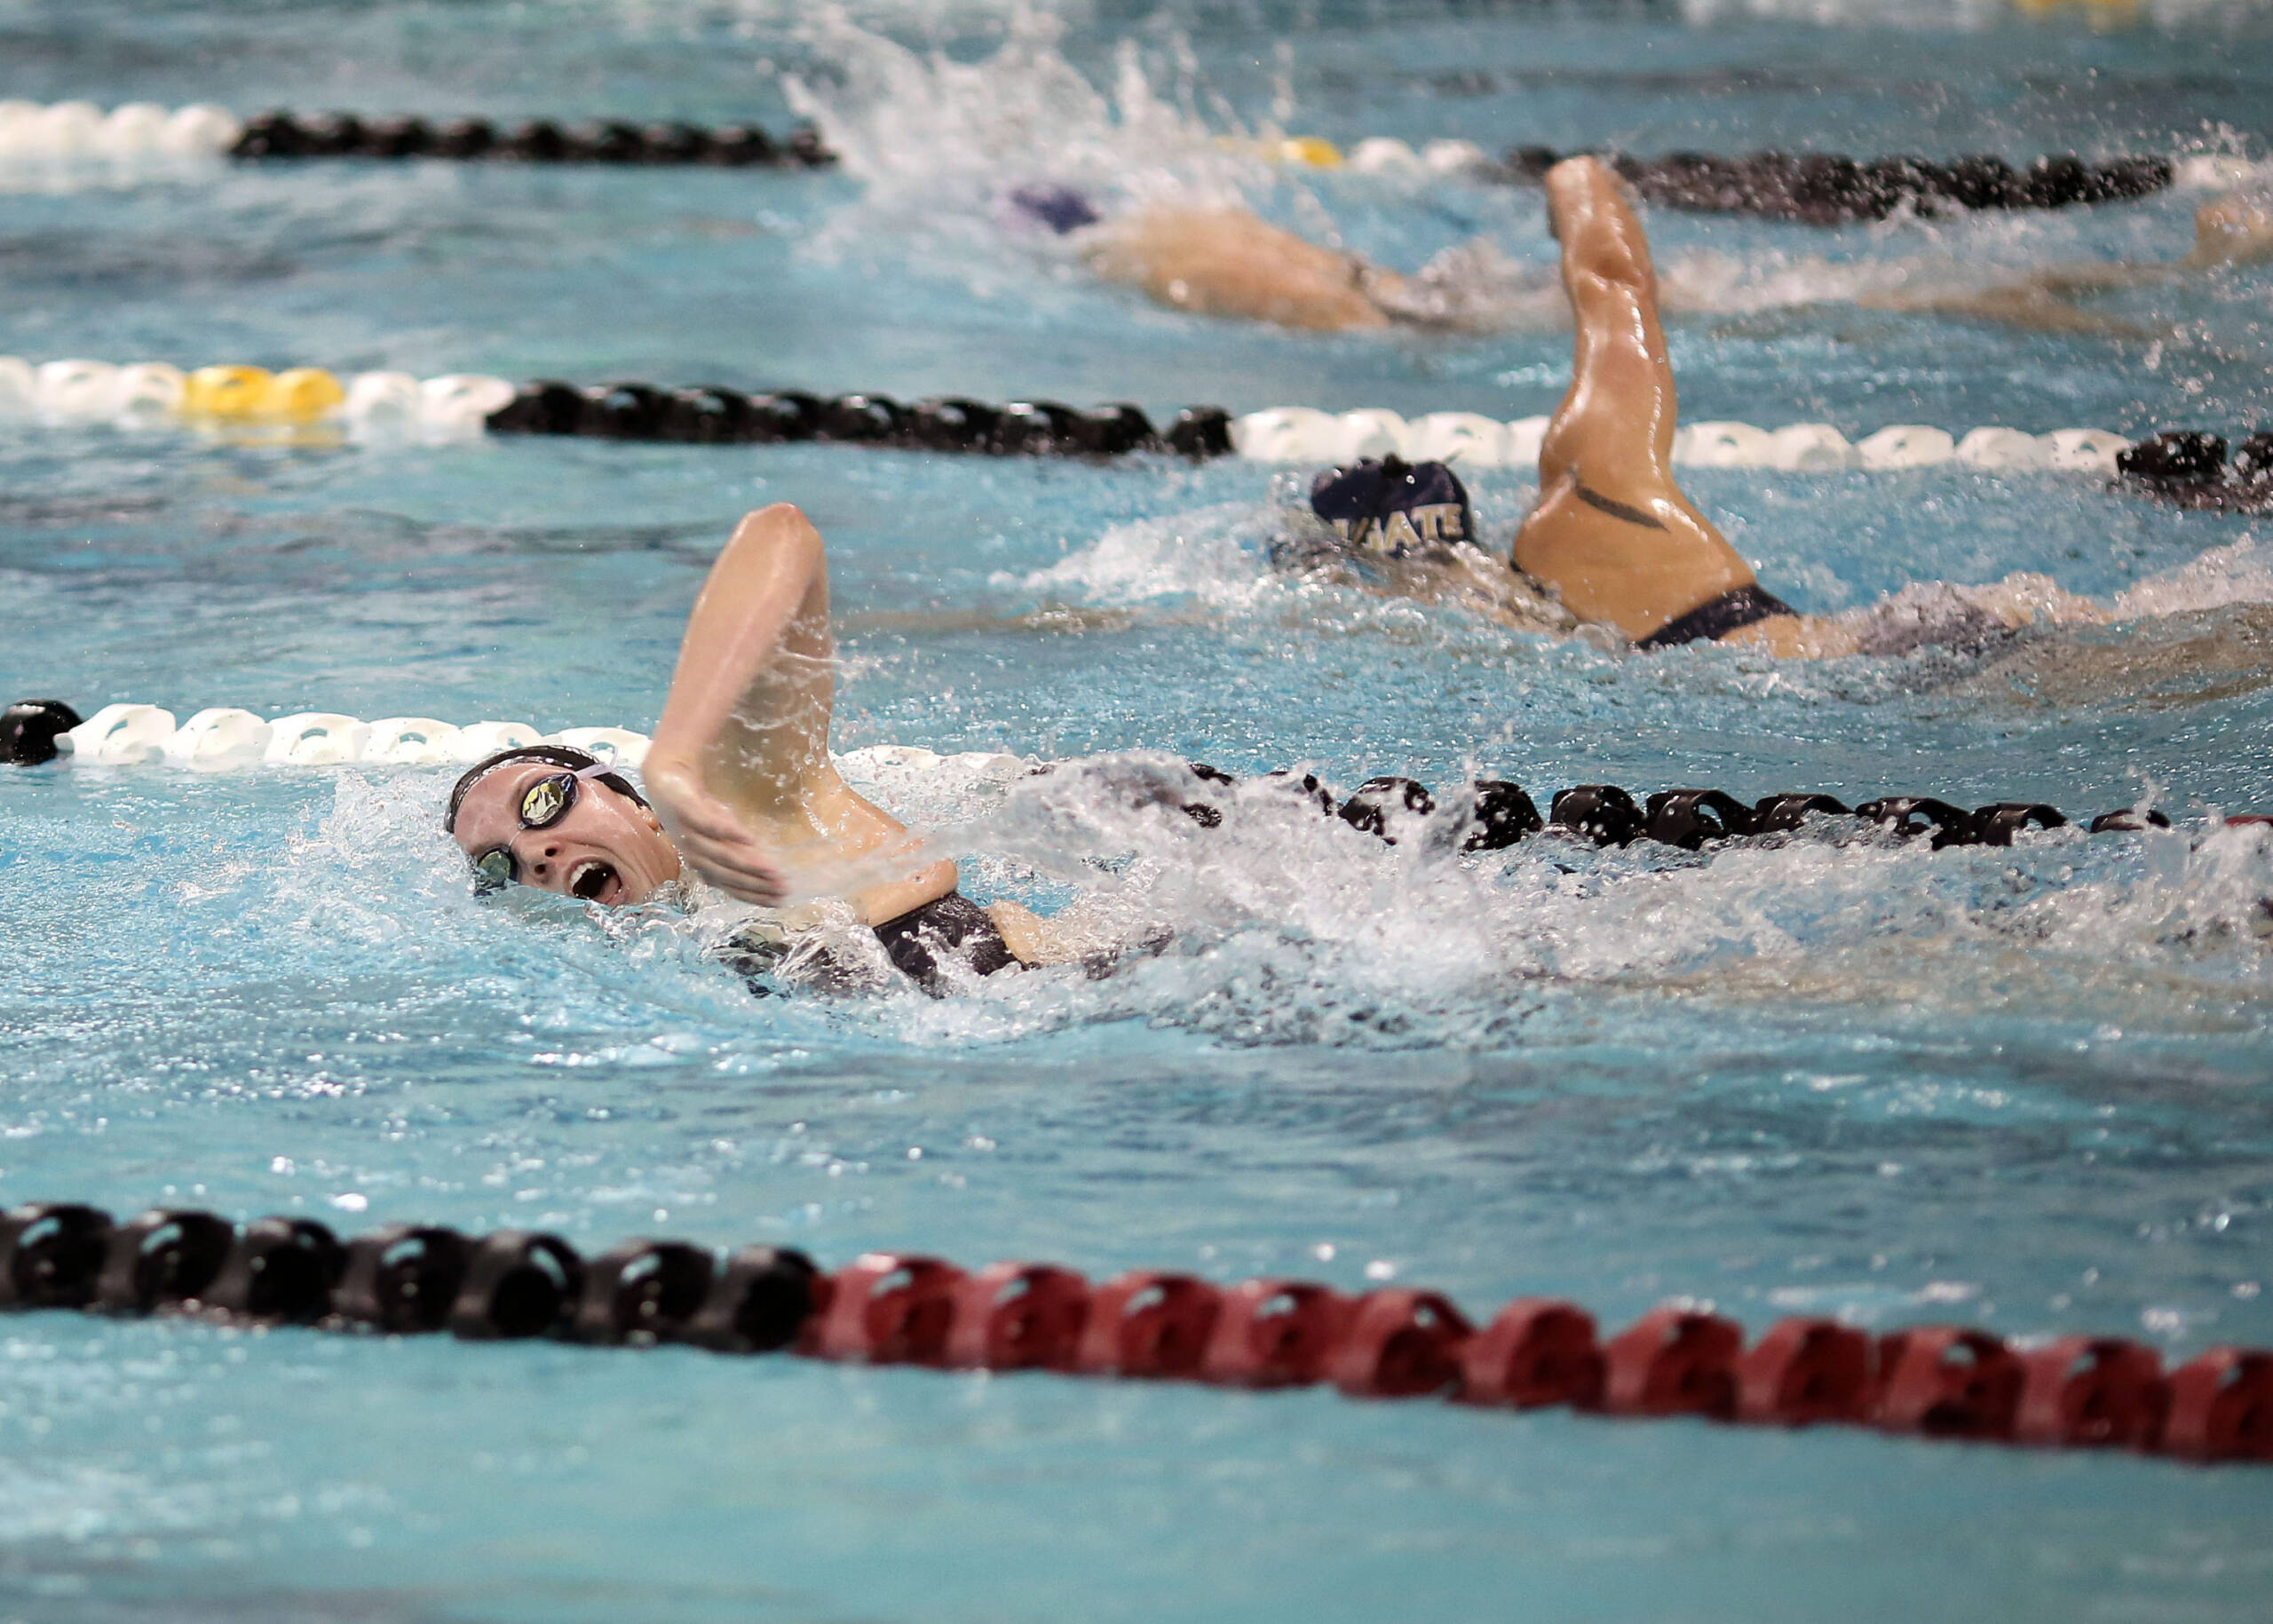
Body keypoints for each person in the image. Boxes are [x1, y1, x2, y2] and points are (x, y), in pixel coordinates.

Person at [1279, 155, 2109, 658]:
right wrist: (1578, 182)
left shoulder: (1478, 640)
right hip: (1929, 645)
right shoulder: (1586, 490)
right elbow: (1614, 282)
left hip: (1901, 669)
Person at [444, 503, 1092, 990]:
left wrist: (672, 761)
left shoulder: (756, 808)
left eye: (543, 802)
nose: (534, 851)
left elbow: (782, 533)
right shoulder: (685, 953)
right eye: (500, 865)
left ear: (636, 806)